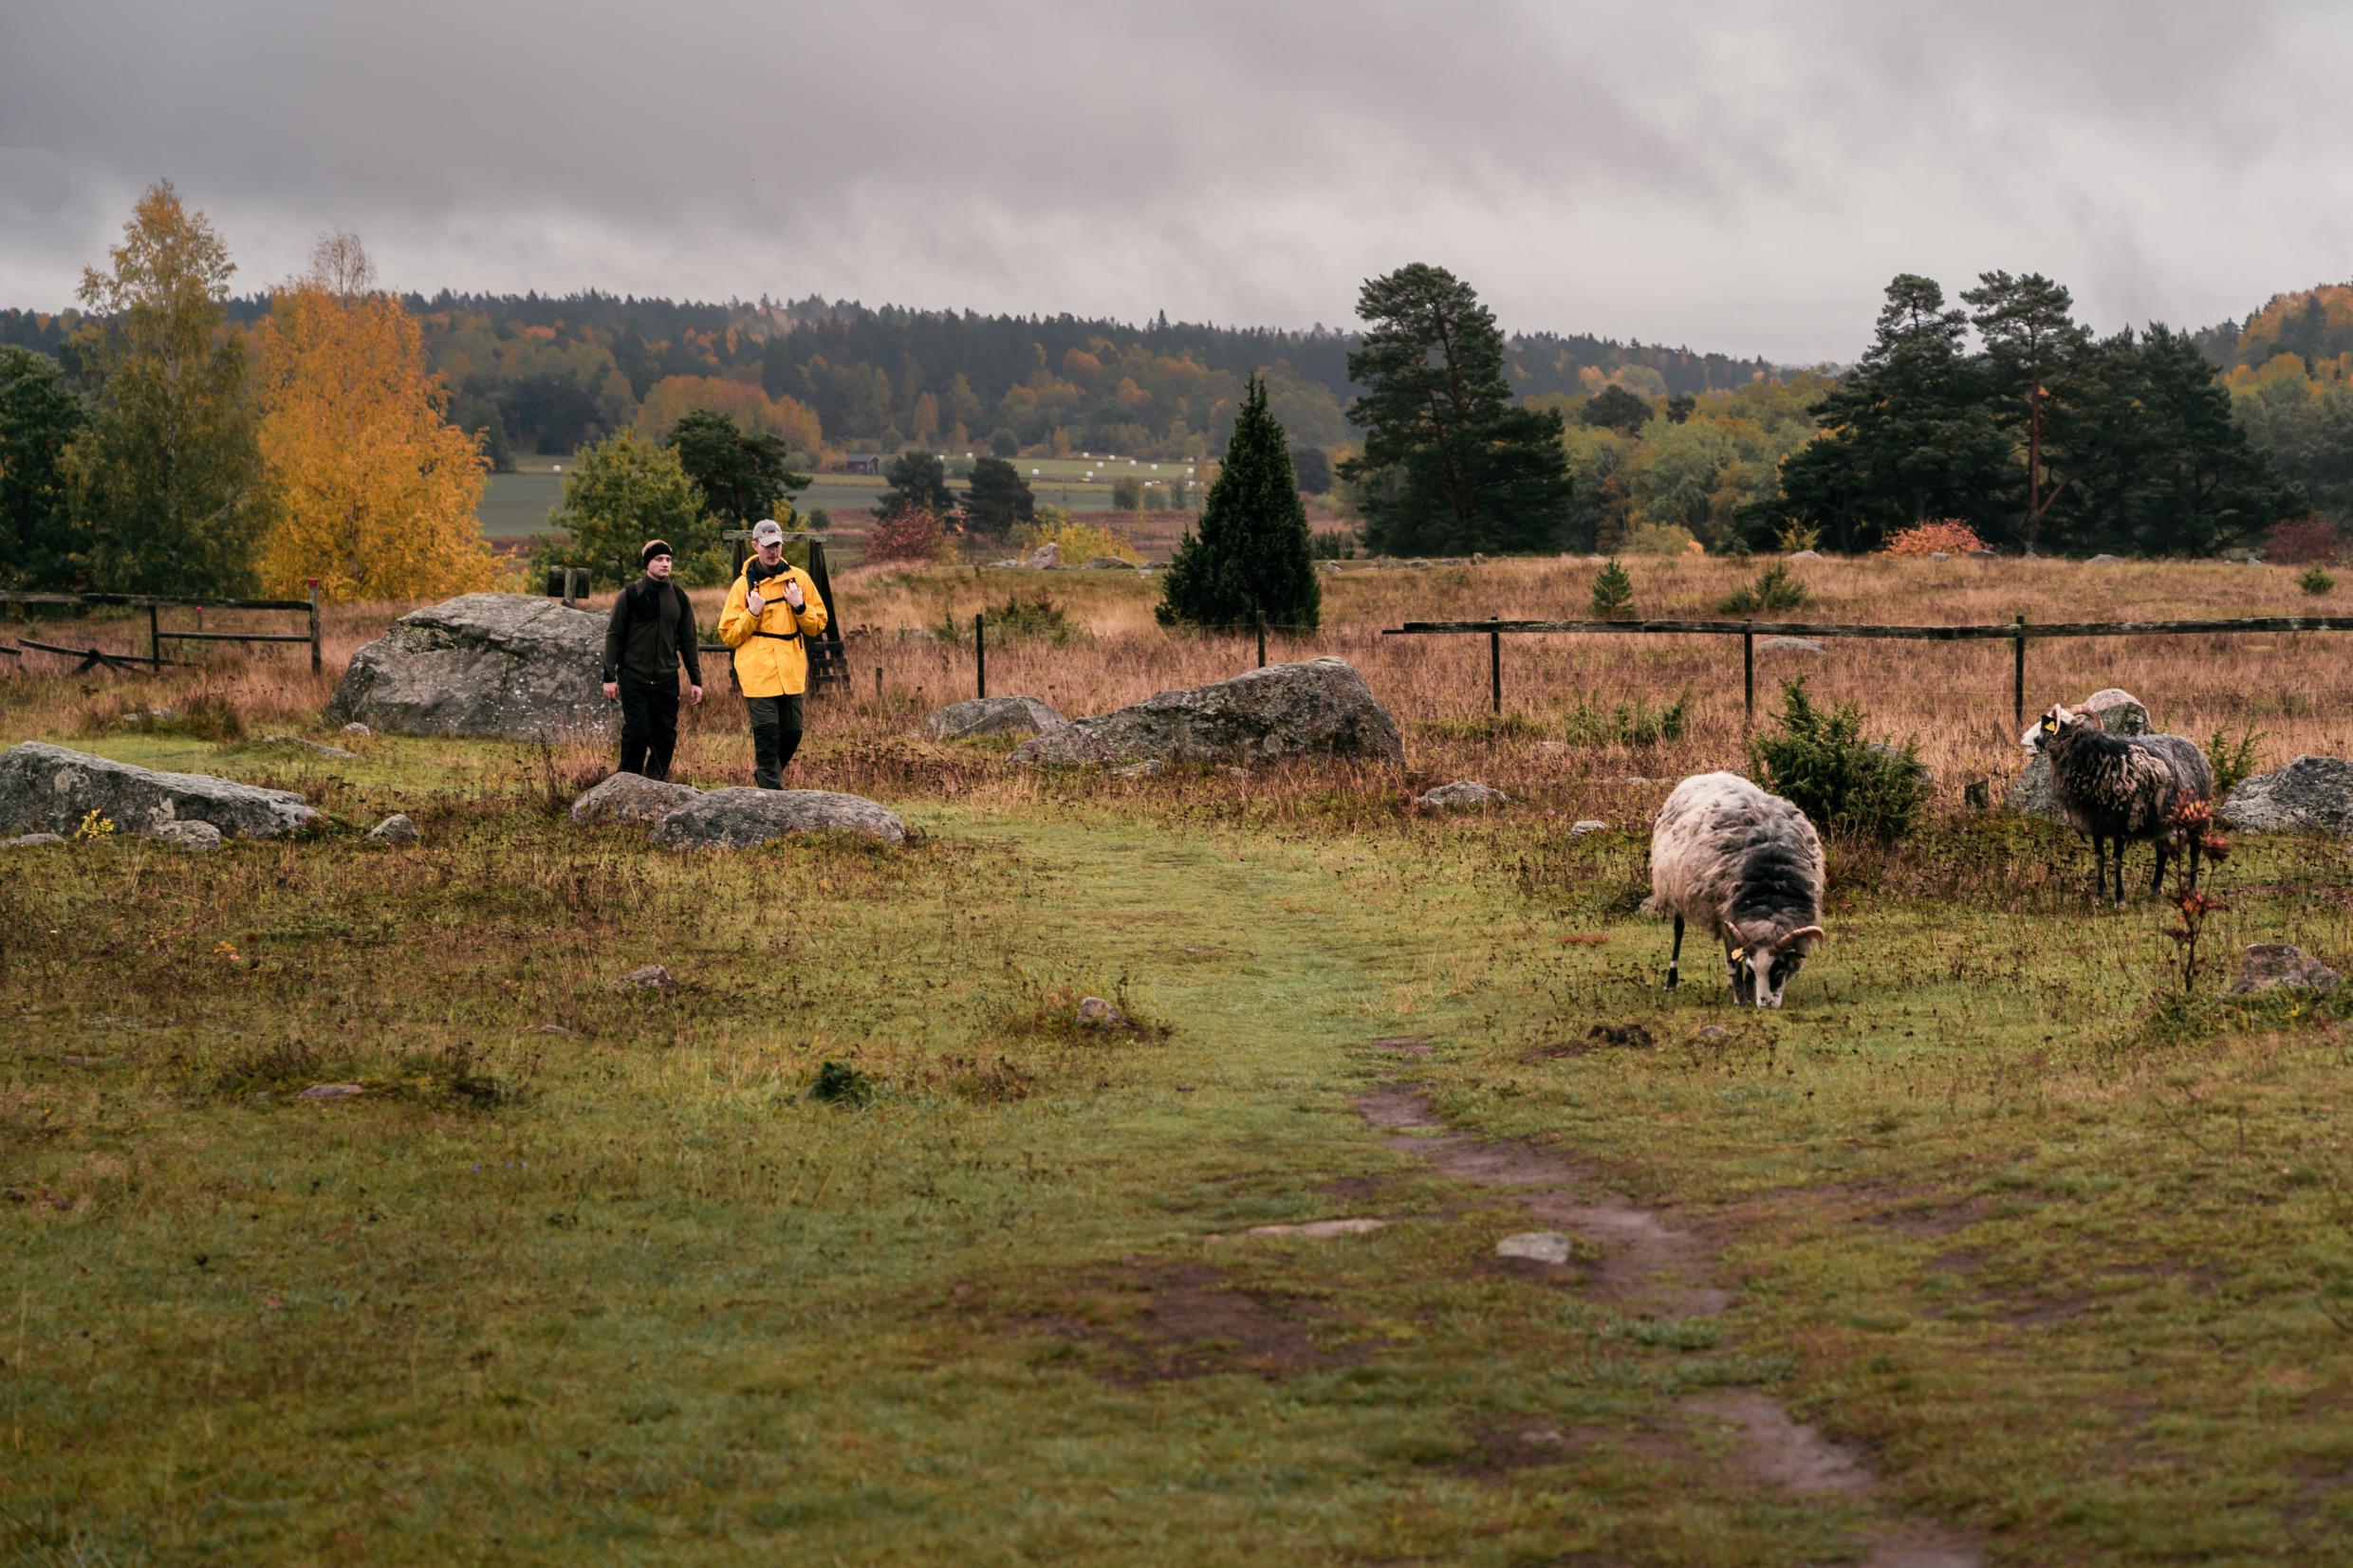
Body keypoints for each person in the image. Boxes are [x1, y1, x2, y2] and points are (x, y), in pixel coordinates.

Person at [717, 517, 828, 787]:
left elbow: (818, 625)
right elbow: (729, 634)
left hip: (790, 671)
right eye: (767, 545)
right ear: (755, 545)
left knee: (793, 732)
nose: (773, 551)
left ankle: (767, 775)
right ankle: (771, 793)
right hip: (758, 672)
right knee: (767, 734)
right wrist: (752, 613)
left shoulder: (799, 579)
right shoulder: (742, 587)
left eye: (777, 544)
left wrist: (800, 607)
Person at [601, 540, 703, 781]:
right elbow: (613, 635)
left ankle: (656, 782)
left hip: (667, 679)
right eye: (659, 559)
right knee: (638, 731)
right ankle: (627, 781)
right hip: (634, 676)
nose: (665, 564)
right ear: (648, 563)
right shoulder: (630, 594)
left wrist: (696, 680)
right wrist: (609, 677)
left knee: (665, 735)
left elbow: (689, 640)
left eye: (668, 559)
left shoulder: (679, 597)